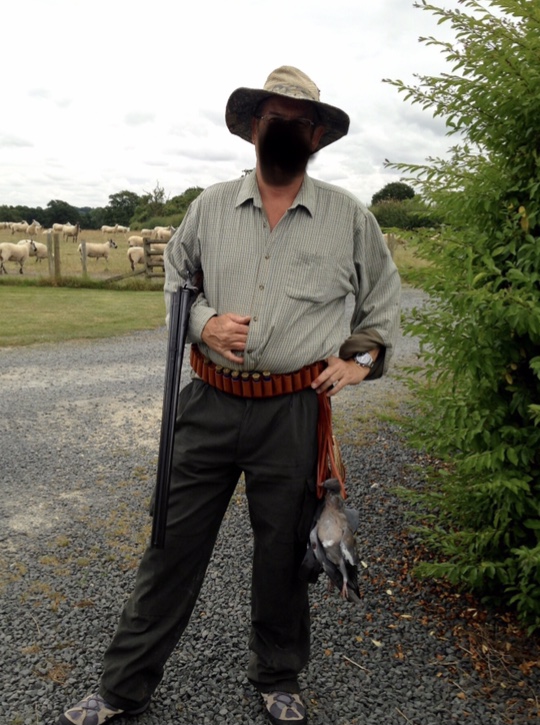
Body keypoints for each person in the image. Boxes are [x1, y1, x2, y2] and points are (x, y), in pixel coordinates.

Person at [57, 65, 401, 725]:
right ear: (253, 127)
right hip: (209, 403)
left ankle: (277, 675)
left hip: (293, 412)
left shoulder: (349, 219)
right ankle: (122, 686)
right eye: (275, 118)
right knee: (171, 543)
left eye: (300, 121)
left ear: (317, 136)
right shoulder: (209, 208)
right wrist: (202, 322)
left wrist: (359, 361)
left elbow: (382, 301)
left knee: (283, 552)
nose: (287, 129)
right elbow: (176, 279)